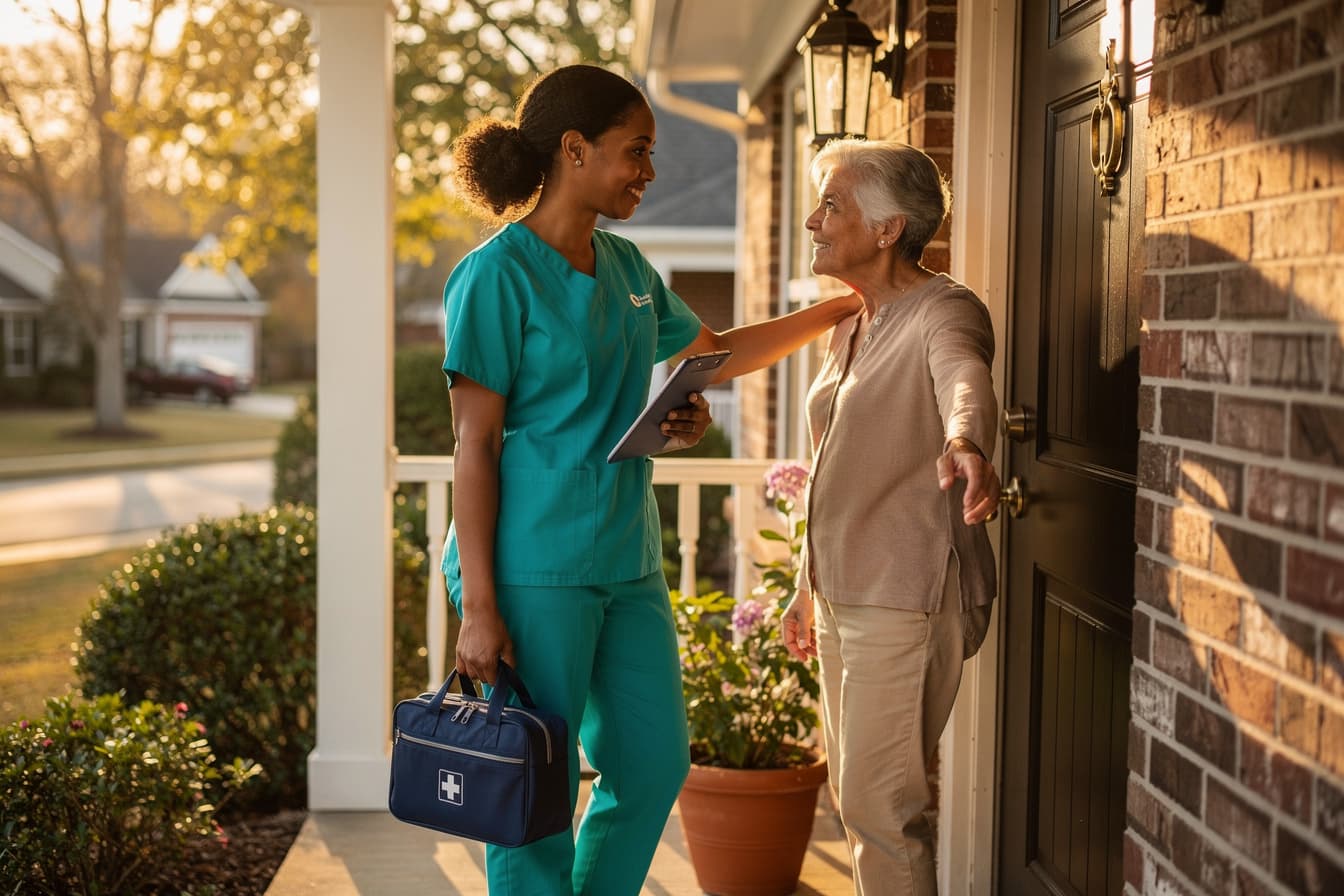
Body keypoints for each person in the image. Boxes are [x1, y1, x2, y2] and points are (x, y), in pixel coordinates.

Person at [441, 64, 859, 896]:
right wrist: (480, 609)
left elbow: (713, 355)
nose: (648, 172)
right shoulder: (495, 275)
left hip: (626, 557)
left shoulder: (629, 270)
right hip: (531, 566)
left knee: (653, 763)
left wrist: (842, 308)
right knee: (536, 788)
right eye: (635, 151)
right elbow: (473, 445)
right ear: (573, 150)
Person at [780, 139, 1001, 896]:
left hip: (906, 594)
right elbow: (837, 465)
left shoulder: (946, 310)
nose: (813, 220)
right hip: (847, 594)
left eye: (831, 204)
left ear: (887, 228)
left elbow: (962, 374)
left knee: (882, 810)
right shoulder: (854, 322)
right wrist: (805, 584)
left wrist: (967, 440)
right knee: (859, 799)